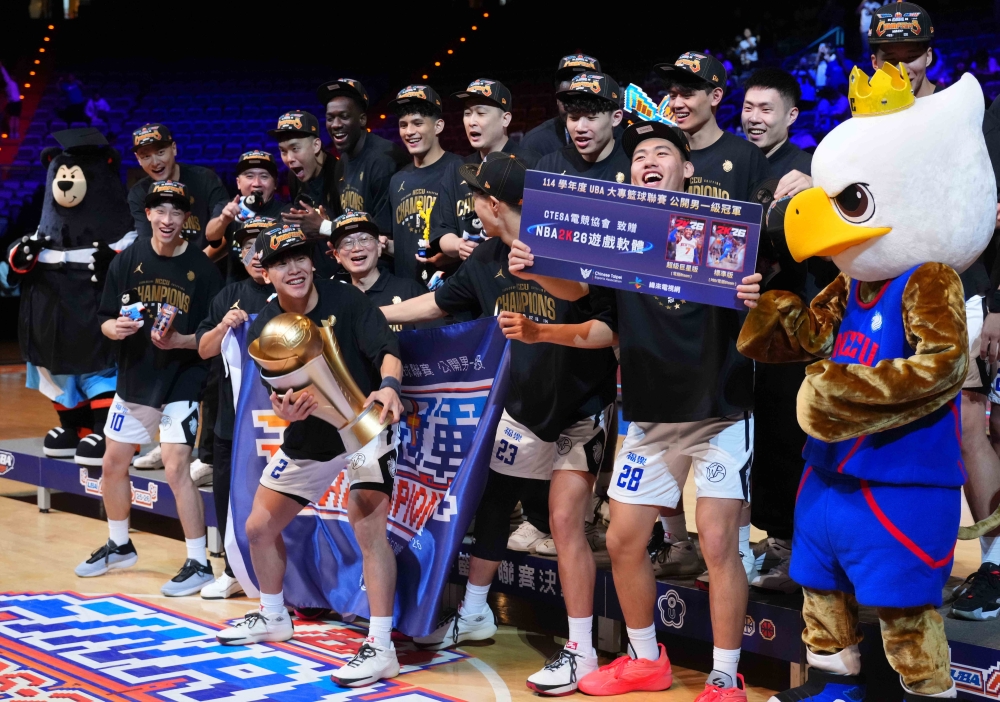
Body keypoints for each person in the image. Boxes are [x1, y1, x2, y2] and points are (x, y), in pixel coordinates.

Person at [508, 121, 762, 700]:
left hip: (719, 411)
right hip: (650, 415)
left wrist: (755, 296)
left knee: (717, 541)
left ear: (686, 169)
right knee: (623, 539)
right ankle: (646, 659)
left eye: (661, 152)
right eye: (639, 154)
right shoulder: (620, 238)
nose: (648, 160)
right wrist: (536, 271)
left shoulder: (721, 233)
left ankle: (726, 675)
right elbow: (594, 312)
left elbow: (761, 306)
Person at [383, 152, 618, 696]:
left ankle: (581, 650)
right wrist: (371, 317)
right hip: (523, 408)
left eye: (473, 196)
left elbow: (607, 327)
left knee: (563, 521)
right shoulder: (487, 257)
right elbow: (438, 304)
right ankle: (475, 611)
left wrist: (542, 327)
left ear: (492, 203)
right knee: (493, 501)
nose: (469, 205)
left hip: (580, 407)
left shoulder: (567, 248)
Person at [215, 222, 405, 690]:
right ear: (265, 273)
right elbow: (276, 392)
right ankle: (273, 616)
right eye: (281, 262)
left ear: (313, 261)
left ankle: (382, 647)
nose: (294, 268)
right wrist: (284, 411)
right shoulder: (266, 324)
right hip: (313, 437)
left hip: (365, 427)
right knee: (258, 527)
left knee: (367, 524)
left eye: (300, 257)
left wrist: (389, 385)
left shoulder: (347, 300)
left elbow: (388, 350)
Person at [653, 51, 771, 587]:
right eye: (673, 92)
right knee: (663, 441)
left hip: (725, 332)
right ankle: (676, 541)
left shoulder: (744, 158)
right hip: (664, 329)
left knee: (726, 447)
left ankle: (737, 551)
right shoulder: (654, 157)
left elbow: (763, 241)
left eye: (689, 91)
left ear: (716, 96)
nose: (677, 101)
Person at [76, 180, 223, 598]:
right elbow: (105, 318)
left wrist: (180, 341)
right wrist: (116, 329)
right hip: (137, 376)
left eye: (176, 212)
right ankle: (119, 544)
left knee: (176, 466)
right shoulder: (127, 260)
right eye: (160, 211)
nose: (167, 219)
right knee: (112, 463)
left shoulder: (202, 270)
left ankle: (198, 563)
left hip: (183, 378)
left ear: (186, 218)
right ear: (148, 214)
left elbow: (212, 337)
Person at [740, 67, 836, 594]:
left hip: (792, 326)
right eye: (748, 107)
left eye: (766, 109)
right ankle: (765, 539)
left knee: (787, 432)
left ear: (791, 115)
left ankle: (792, 545)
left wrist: (821, 188)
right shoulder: (738, 164)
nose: (754, 118)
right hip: (738, 323)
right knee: (750, 437)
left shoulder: (811, 169)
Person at [195, 216, 276, 600]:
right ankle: (233, 571)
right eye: (247, 248)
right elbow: (204, 349)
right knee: (229, 499)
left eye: (262, 247)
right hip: (233, 423)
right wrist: (223, 327)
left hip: (283, 425)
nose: (256, 256)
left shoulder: (293, 291)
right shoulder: (229, 295)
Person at [433, 78, 539, 263]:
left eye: (481, 113)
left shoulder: (533, 165)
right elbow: (442, 230)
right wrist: (458, 245)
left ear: (505, 119)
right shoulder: (457, 169)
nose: (471, 122)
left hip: (518, 271)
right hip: (471, 272)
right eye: (467, 113)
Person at [385, 85, 462, 284]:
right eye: (403, 125)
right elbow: (405, 246)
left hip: (450, 290)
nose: (409, 132)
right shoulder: (397, 180)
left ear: (438, 126)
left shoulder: (460, 170)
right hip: (407, 290)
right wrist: (384, 246)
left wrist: (452, 254)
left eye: (417, 123)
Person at [318, 78, 408, 240]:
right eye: (330, 118)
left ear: (362, 120)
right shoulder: (342, 161)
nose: (335, 124)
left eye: (344, 116)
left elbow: (383, 235)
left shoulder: (383, 160)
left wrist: (325, 227)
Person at [126, 124, 229, 255]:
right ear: (138, 159)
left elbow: (224, 233)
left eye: (160, 152)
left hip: (209, 261)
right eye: (146, 156)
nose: (155, 162)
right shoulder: (138, 193)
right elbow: (147, 243)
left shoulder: (206, 179)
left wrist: (200, 263)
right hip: (165, 264)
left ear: (174, 148)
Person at [328, 210, 429, 332]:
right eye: (347, 242)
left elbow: (435, 337)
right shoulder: (336, 302)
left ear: (379, 247)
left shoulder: (409, 291)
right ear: (337, 255)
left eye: (364, 239)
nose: (357, 248)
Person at [269, 111, 341, 279]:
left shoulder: (340, 175)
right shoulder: (294, 177)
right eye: (283, 151)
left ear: (316, 145)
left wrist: (325, 226)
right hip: (313, 273)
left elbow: (358, 232)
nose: (289, 159)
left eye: (295, 149)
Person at [535, 72, 630, 184]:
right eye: (574, 118)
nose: (580, 128)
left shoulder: (635, 164)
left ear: (616, 118)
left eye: (591, 118)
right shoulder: (549, 167)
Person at [205, 150, 285, 282]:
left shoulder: (286, 212)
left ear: (275, 183)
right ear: (238, 182)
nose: (256, 183)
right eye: (249, 176)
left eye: (264, 176)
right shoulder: (228, 207)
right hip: (237, 288)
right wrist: (223, 220)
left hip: (275, 287)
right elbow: (211, 236)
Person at [520, 54, 602, 156]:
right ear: (557, 99)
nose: (576, 107)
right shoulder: (534, 143)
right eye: (568, 99)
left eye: (585, 98)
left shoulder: (618, 139)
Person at [1, 63, 22, 139]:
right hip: (13, 103)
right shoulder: (9, 83)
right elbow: (5, 75)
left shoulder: (14, 83)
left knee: (16, 118)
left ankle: (15, 133)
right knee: (13, 118)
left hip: (17, 102)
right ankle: (12, 133)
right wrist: (1, 67)